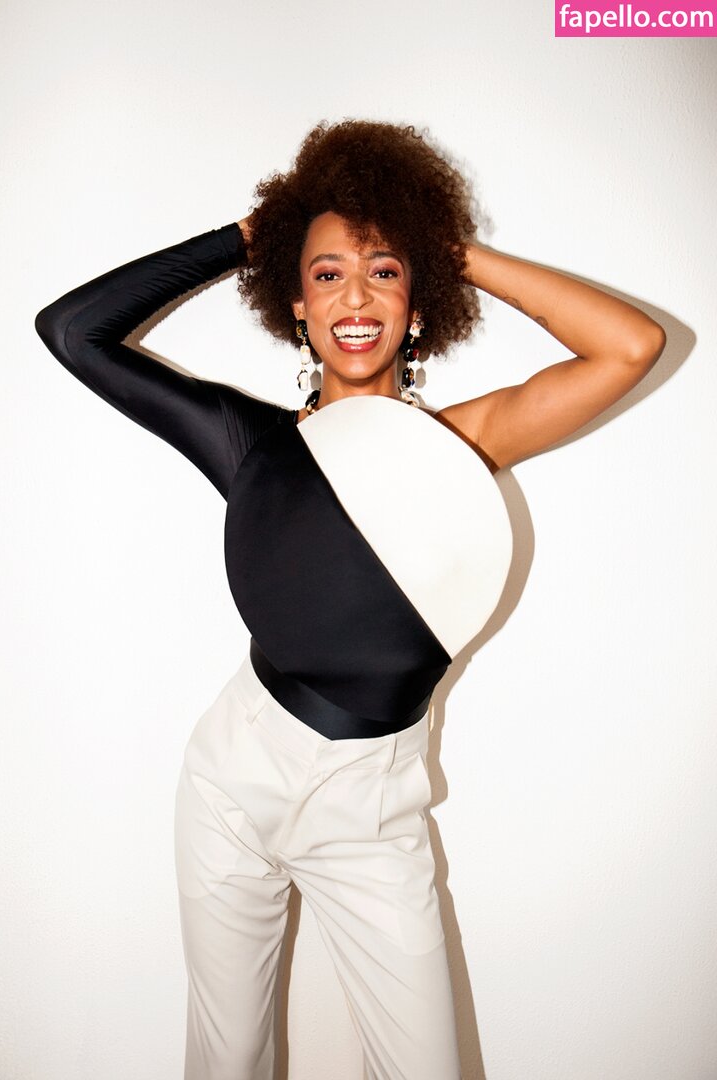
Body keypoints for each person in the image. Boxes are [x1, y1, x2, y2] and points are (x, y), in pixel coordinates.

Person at [34, 120, 665, 1080]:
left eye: (385, 271)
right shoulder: (250, 443)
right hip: (232, 785)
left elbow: (629, 346)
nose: (356, 296)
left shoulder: (462, 442)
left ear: (417, 304)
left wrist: (447, 247)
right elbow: (71, 331)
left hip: (372, 810)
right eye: (326, 273)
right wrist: (249, 238)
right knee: (227, 1060)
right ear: (297, 304)